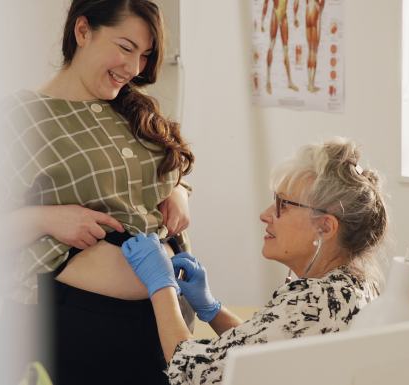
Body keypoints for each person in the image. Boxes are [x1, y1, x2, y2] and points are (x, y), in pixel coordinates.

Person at [0, 1, 195, 384]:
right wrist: (45, 218)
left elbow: (140, 180)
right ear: (83, 31)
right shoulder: (18, 119)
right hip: (78, 329)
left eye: (145, 55)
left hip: (166, 318)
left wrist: (179, 190)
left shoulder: (133, 111)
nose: (134, 68)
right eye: (125, 47)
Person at [122, 137, 388, 384]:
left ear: (326, 227)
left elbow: (194, 372)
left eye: (283, 204)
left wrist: (161, 288)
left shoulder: (316, 300)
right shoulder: (351, 287)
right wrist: (213, 310)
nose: (266, 214)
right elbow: (263, 351)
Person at [261, 0, 300, 94]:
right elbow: (266, 2)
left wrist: (295, 16)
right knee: (272, 45)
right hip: (275, 13)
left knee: (285, 49)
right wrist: (262, 21)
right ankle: (268, 81)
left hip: (283, 16)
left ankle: (289, 81)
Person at [305, 0, 325, 92]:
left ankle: (309, 83)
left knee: (310, 51)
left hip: (308, 15)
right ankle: (312, 85)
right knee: (314, 51)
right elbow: (320, 7)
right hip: (314, 16)